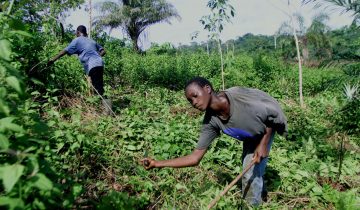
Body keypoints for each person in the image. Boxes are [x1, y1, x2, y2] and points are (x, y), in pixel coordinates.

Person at [141, 77, 287, 206]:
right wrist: (157, 163)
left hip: (267, 127)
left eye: (195, 96)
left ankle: (252, 205)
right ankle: (260, 194)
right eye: (190, 100)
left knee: (250, 171)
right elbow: (195, 157)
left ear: (207, 89)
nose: (194, 102)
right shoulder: (211, 122)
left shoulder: (239, 100)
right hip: (250, 134)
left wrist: (263, 144)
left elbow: (273, 115)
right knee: (250, 165)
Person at [48, 25, 112, 114]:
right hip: (99, 63)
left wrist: (52, 60)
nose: (76, 34)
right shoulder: (91, 40)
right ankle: (100, 108)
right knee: (96, 86)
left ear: (78, 32)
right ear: (85, 32)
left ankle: (108, 111)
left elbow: (65, 51)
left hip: (93, 65)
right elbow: (103, 51)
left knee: (98, 88)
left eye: (76, 33)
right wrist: (96, 57)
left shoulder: (77, 40)